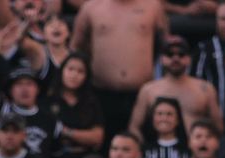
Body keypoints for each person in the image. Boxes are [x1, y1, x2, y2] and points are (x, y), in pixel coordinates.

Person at [72, 0, 169, 143]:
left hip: (142, 93)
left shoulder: (153, 6)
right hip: (100, 93)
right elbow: (76, 48)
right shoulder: (91, 7)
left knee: (142, 145)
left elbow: (165, 47)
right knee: (105, 147)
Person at [129, 35, 223, 138]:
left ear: (189, 59)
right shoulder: (148, 90)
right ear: (162, 59)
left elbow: (218, 127)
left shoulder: (205, 89)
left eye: (181, 54)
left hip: (195, 150)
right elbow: (134, 128)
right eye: (170, 54)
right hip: (159, 150)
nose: (175, 58)